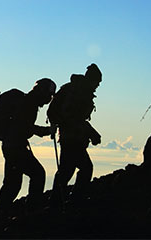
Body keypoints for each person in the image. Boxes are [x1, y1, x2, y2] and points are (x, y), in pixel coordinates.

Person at [0, 78, 56, 224]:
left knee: (12, 183)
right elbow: (26, 127)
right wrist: (47, 131)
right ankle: (32, 211)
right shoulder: (29, 104)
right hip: (16, 147)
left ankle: (0, 215)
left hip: (11, 145)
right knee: (37, 174)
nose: (49, 99)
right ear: (42, 92)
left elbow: (23, 126)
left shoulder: (25, 102)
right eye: (49, 95)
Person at [49, 64, 102, 207]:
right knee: (85, 168)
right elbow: (75, 118)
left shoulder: (74, 89)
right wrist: (91, 132)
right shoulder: (80, 92)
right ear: (92, 80)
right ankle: (74, 201)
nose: (97, 86)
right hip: (73, 138)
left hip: (69, 137)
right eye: (97, 82)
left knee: (66, 170)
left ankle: (57, 201)